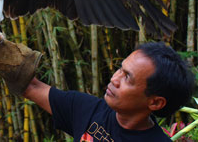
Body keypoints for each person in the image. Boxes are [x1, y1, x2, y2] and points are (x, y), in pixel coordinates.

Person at [23, 42, 195, 141]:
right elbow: (31, 86)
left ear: (155, 102)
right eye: (120, 69)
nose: (114, 79)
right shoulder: (86, 108)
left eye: (127, 77)